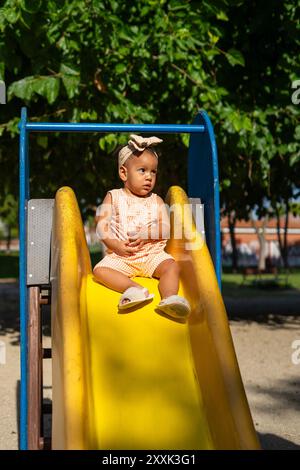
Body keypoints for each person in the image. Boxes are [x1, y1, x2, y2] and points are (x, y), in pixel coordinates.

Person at [93, 134, 191, 319]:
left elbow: (166, 228)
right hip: (123, 256)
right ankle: (134, 289)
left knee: (172, 267)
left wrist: (148, 234)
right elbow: (101, 226)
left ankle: (170, 299)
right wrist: (115, 245)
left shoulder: (157, 200)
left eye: (153, 172)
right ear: (124, 173)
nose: (149, 177)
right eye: (142, 170)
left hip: (151, 256)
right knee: (100, 271)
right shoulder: (113, 196)